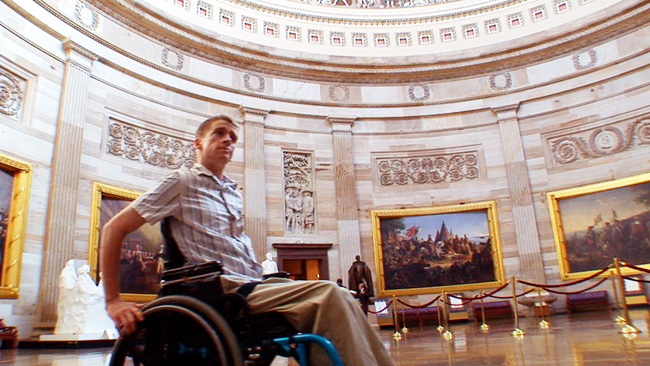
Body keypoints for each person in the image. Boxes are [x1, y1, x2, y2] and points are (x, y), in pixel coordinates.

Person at [100, 115, 395, 366]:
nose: (228, 140)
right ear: (198, 142)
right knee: (328, 296)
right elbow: (113, 229)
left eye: (233, 137)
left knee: (341, 296)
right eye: (219, 133)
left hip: (252, 284)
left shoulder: (232, 192)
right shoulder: (182, 182)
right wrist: (112, 300)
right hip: (215, 288)